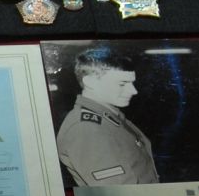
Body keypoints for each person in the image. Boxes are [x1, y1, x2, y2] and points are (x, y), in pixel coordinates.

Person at [57, 48, 158, 186]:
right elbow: (120, 193)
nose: (133, 91)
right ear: (90, 82)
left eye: (132, 83)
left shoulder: (108, 117)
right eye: (122, 84)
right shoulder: (87, 128)